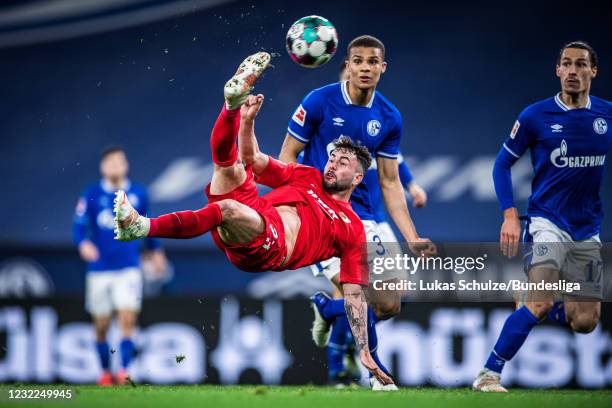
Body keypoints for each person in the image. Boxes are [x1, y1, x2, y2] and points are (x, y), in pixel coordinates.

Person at [113, 52, 394, 386]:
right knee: (228, 167)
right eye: (332, 158)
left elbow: (354, 295)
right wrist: (247, 121)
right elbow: (254, 159)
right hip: (259, 215)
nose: (332, 164)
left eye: (343, 162)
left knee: (228, 209)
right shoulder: (307, 175)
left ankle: (142, 226)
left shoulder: (352, 228)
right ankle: (231, 105)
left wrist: (367, 352)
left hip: (271, 247)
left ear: (359, 177)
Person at [279, 35, 432, 389]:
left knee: (391, 304)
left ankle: (326, 308)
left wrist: (411, 237)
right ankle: (375, 376)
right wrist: (293, 208)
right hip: (322, 214)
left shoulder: (390, 117)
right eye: (358, 61)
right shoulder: (318, 101)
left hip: (365, 217)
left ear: (382, 67)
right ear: (347, 64)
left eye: (371, 62)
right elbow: (286, 157)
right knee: (359, 294)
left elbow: (391, 182)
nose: (364, 68)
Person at [473, 41, 611, 392]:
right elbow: (502, 164)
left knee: (585, 323)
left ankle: (535, 290)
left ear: (593, 71)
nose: (573, 71)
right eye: (566, 64)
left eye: (581, 65)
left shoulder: (606, 116)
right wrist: (509, 215)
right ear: (558, 70)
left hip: (587, 227)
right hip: (547, 221)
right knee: (540, 301)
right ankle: (489, 374)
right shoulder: (536, 116)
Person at [73, 147, 167, 385]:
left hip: (129, 267)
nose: (115, 166)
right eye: (110, 162)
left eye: (119, 162)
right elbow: (79, 225)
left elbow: (147, 226)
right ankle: (105, 372)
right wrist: (83, 243)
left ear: (126, 165)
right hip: (100, 269)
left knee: (127, 316)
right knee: (101, 324)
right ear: (103, 167)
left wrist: (156, 252)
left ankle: (125, 370)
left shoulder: (138, 193)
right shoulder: (91, 194)